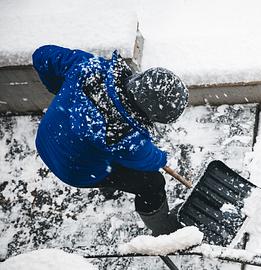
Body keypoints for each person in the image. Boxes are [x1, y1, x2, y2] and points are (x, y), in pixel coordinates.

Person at [32, 45, 189, 236]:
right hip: (75, 170)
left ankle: (109, 185)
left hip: (47, 138)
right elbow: (150, 160)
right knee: (152, 182)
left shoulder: (89, 68)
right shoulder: (124, 135)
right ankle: (164, 229)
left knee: (105, 153)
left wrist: (60, 89)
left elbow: (42, 55)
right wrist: (162, 158)